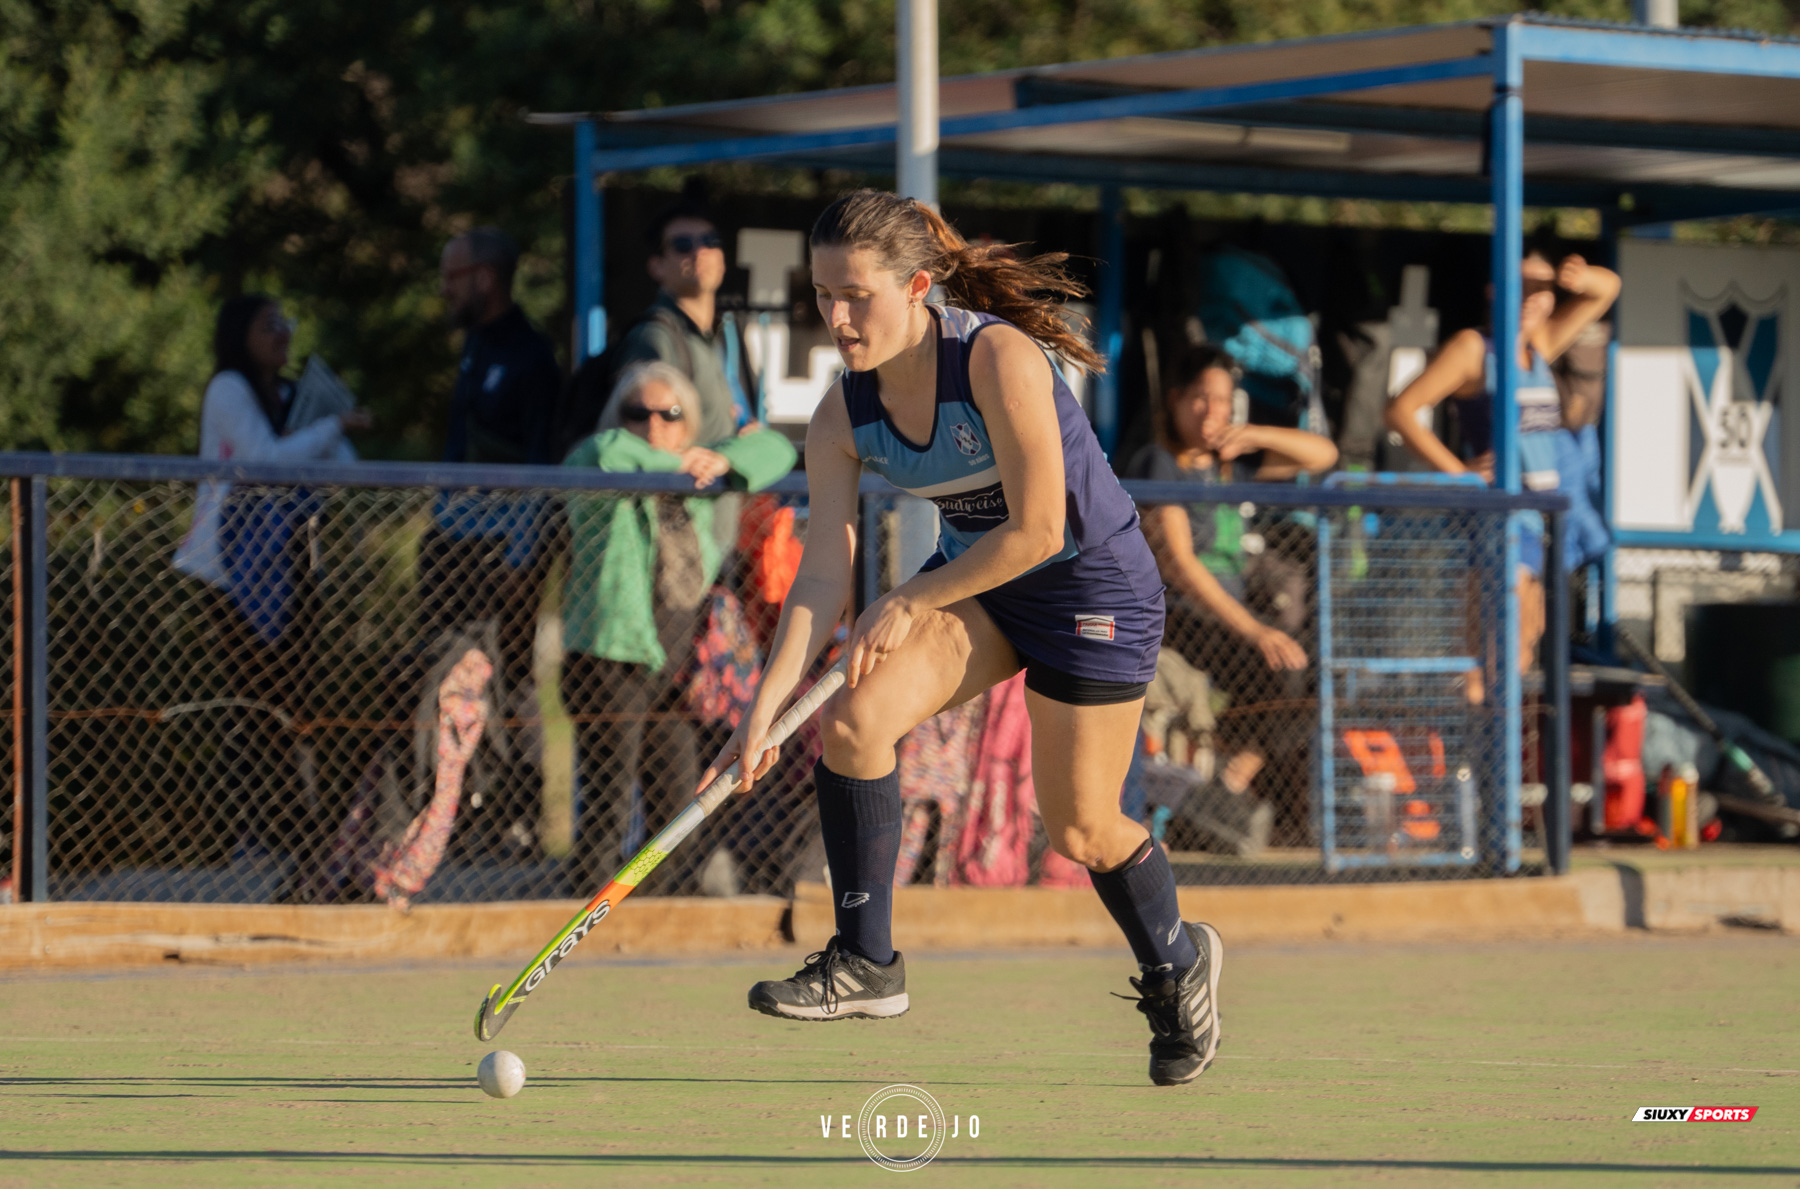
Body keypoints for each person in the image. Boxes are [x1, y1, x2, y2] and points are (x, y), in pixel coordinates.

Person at [701, 190, 1221, 1087]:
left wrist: (910, 598)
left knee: (1079, 828)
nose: (837, 317)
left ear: (916, 287)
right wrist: (766, 708)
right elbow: (820, 576)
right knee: (852, 721)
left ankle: (1178, 961)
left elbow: (1042, 530)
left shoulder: (996, 359)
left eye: (856, 296)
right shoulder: (841, 414)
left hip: (1090, 586)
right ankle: (866, 962)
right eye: (823, 294)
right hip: (981, 585)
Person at [561, 361, 796, 895]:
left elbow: (777, 451)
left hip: (675, 672)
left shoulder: (700, 477)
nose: (653, 425)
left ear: (688, 422)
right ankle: (586, 911)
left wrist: (721, 459)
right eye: (636, 413)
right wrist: (679, 464)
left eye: (669, 415)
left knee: (680, 809)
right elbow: (604, 451)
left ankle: (648, 906)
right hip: (609, 661)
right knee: (607, 805)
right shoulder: (604, 467)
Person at [173, 294, 371, 856]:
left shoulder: (288, 396)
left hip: (289, 568)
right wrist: (331, 425)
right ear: (241, 335)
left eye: (287, 322)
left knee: (293, 698)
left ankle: (293, 828)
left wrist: (333, 428)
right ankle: (256, 828)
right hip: (229, 571)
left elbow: (345, 466)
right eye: (269, 325)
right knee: (254, 698)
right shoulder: (228, 390)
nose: (283, 333)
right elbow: (264, 459)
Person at [1125, 344, 1337, 850]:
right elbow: (1180, 565)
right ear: (1176, 400)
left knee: (1321, 670)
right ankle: (1224, 775)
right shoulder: (1158, 462)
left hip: (1235, 618)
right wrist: (1256, 630)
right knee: (1282, 667)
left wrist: (1254, 435)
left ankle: (1237, 768)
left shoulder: (1229, 467)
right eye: (1200, 398)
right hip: (1184, 616)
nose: (1211, 411)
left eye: (1222, 400)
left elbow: (1323, 456)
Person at [1385, 250, 1620, 671]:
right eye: (1521, 286)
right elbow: (1401, 410)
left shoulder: (1539, 345)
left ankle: (1498, 714)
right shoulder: (1474, 348)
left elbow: (1607, 290)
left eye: (1541, 288)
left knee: (1524, 641)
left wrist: (1580, 278)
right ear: (1495, 290)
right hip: (1499, 517)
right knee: (1495, 647)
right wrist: (1460, 474)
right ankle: (1480, 712)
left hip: (1536, 520)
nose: (1531, 297)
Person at [419, 228, 564, 852]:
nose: (444, 289)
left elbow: (541, 468)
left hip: (501, 552)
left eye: (452, 276)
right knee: (446, 675)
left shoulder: (530, 356)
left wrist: (521, 556)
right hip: (451, 542)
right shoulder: (473, 345)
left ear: (484, 277)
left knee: (510, 678)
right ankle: (459, 810)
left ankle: (517, 816)